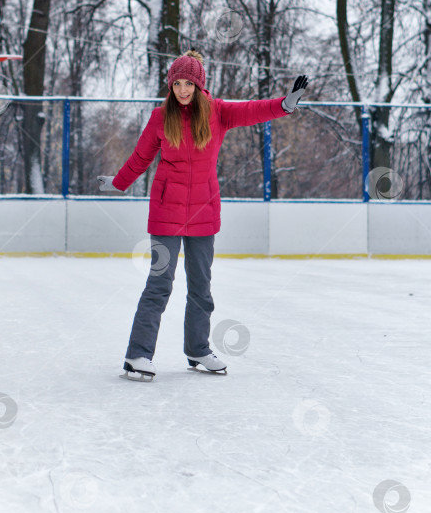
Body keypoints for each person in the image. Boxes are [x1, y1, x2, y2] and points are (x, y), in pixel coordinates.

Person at [97, 50, 308, 381]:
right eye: (177, 83)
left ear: (199, 85)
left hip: (203, 212)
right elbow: (140, 157)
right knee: (159, 284)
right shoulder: (159, 117)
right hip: (166, 212)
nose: (182, 90)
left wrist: (284, 104)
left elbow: (252, 110)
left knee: (201, 287)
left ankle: (197, 348)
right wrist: (120, 183)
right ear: (171, 85)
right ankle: (138, 354)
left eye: (189, 83)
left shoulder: (217, 113)